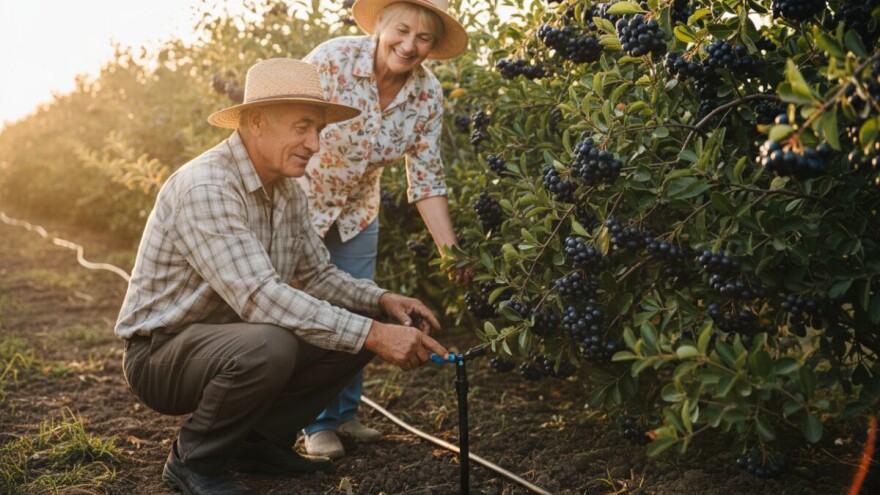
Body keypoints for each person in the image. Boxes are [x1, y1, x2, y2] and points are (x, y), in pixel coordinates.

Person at [115, 57, 449, 495]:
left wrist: (382, 302)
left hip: (232, 338)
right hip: (161, 355)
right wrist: (373, 335)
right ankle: (194, 460)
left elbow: (317, 276)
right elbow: (260, 297)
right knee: (275, 344)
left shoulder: (287, 191)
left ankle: (258, 443)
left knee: (355, 321)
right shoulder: (208, 186)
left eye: (318, 130)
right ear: (256, 122)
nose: (315, 144)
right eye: (302, 127)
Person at [297, 0, 474, 459]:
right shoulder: (331, 60)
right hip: (299, 203)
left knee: (362, 307)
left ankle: (345, 414)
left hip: (357, 211)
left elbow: (427, 179)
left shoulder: (426, 94)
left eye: (423, 38)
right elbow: (283, 123)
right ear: (379, 26)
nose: (409, 45)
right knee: (311, 309)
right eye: (401, 30)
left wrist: (450, 252)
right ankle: (316, 424)